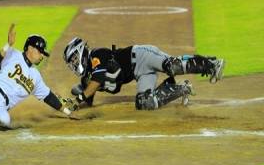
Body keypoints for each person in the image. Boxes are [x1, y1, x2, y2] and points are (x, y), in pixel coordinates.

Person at [63, 37, 225, 110]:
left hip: (141, 55)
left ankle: (211, 64)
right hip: (140, 74)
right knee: (144, 103)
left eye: (75, 58)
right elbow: (87, 101)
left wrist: (79, 98)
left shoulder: (96, 55)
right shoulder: (88, 80)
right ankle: (183, 88)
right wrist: (71, 104)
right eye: (72, 62)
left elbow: (97, 80)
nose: (74, 63)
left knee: (171, 66)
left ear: (82, 52)